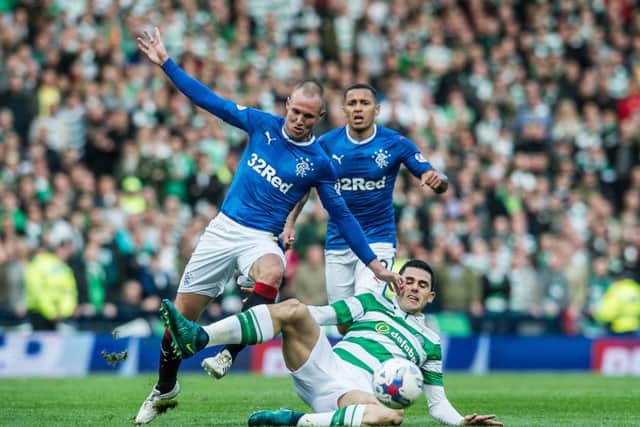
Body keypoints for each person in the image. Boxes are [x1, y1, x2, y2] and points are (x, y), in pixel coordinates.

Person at [134, 28, 402, 424]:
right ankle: (165, 387)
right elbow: (209, 101)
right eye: (294, 111)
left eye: (308, 117)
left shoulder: (319, 162)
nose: (298, 120)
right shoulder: (262, 125)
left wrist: (374, 263)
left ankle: (230, 352)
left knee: (273, 270)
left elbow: (341, 214)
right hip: (223, 229)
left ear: (319, 118)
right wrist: (166, 62)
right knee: (179, 321)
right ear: (287, 103)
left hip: (260, 238)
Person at [207, 83, 447, 377]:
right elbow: (305, 184)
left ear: (377, 109)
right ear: (343, 110)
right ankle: (360, 371)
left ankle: (369, 375)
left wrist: (437, 179)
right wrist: (291, 221)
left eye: (364, 103)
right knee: (345, 322)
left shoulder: (395, 143)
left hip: (378, 241)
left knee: (365, 305)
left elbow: (432, 174)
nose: (358, 108)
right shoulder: (327, 145)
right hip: (337, 243)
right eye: (352, 103)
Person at [160, 259, 502, 426]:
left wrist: (460, 422)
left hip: (355, 395)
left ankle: (293, 421)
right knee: (293, 308)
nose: (412, 287)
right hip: (326, 365)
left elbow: (436, 403)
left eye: (421, 284)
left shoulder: (430, 343)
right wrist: (278, 312)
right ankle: (200, 337)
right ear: (397, 283)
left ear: (431, 295)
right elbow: (320, 314)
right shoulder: (370, 302)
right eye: (407, 280)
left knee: (393, 417)